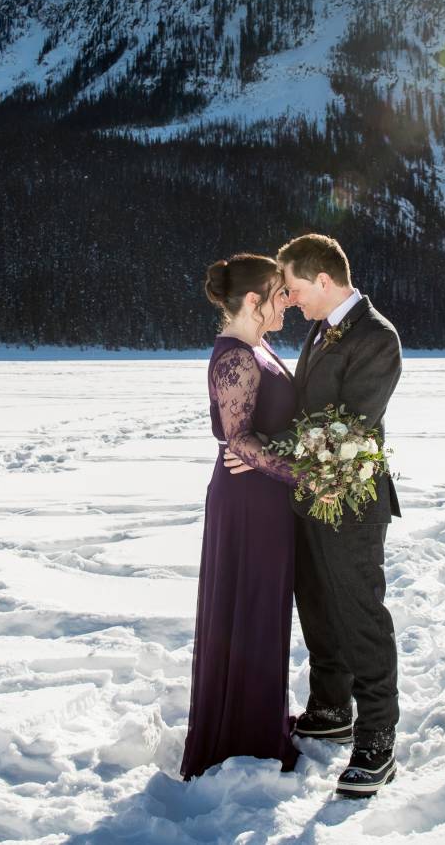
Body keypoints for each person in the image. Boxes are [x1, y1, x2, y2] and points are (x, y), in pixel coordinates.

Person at [225, 233, 403, 798]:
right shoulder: (321, 331)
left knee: (359, 613)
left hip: (352, 502)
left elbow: (346, 431)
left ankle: (378, 739)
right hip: (308, 496)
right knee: (318, 605)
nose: (292, 300)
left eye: (297, 289)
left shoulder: (376, 338)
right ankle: (332, 706)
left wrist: (260, 454)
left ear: (323, 281)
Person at [180, 253, 301, 781]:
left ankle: (262, 721)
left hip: (265, 495)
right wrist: (309, 474)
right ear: (253, 300)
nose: (287, 302)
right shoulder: (234, 356)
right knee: (246, 606)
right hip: (247, 503)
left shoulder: (259, 347)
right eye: (279, 294)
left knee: (265, 608)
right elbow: (239, 440)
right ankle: (239, 736)